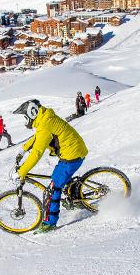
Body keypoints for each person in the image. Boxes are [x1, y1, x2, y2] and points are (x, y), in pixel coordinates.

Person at [13, 99, 88, 233]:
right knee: (57, 176)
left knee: (54, 189)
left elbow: (37, 152)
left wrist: (22, 171)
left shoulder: (45, 124)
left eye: (25, 117)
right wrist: (22, 150)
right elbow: (37, 138)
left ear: (32, 113)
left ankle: (50, 223)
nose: (25, 120)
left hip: (72, 155)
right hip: (72, 151)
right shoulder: (44, 120)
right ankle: (74, 196)